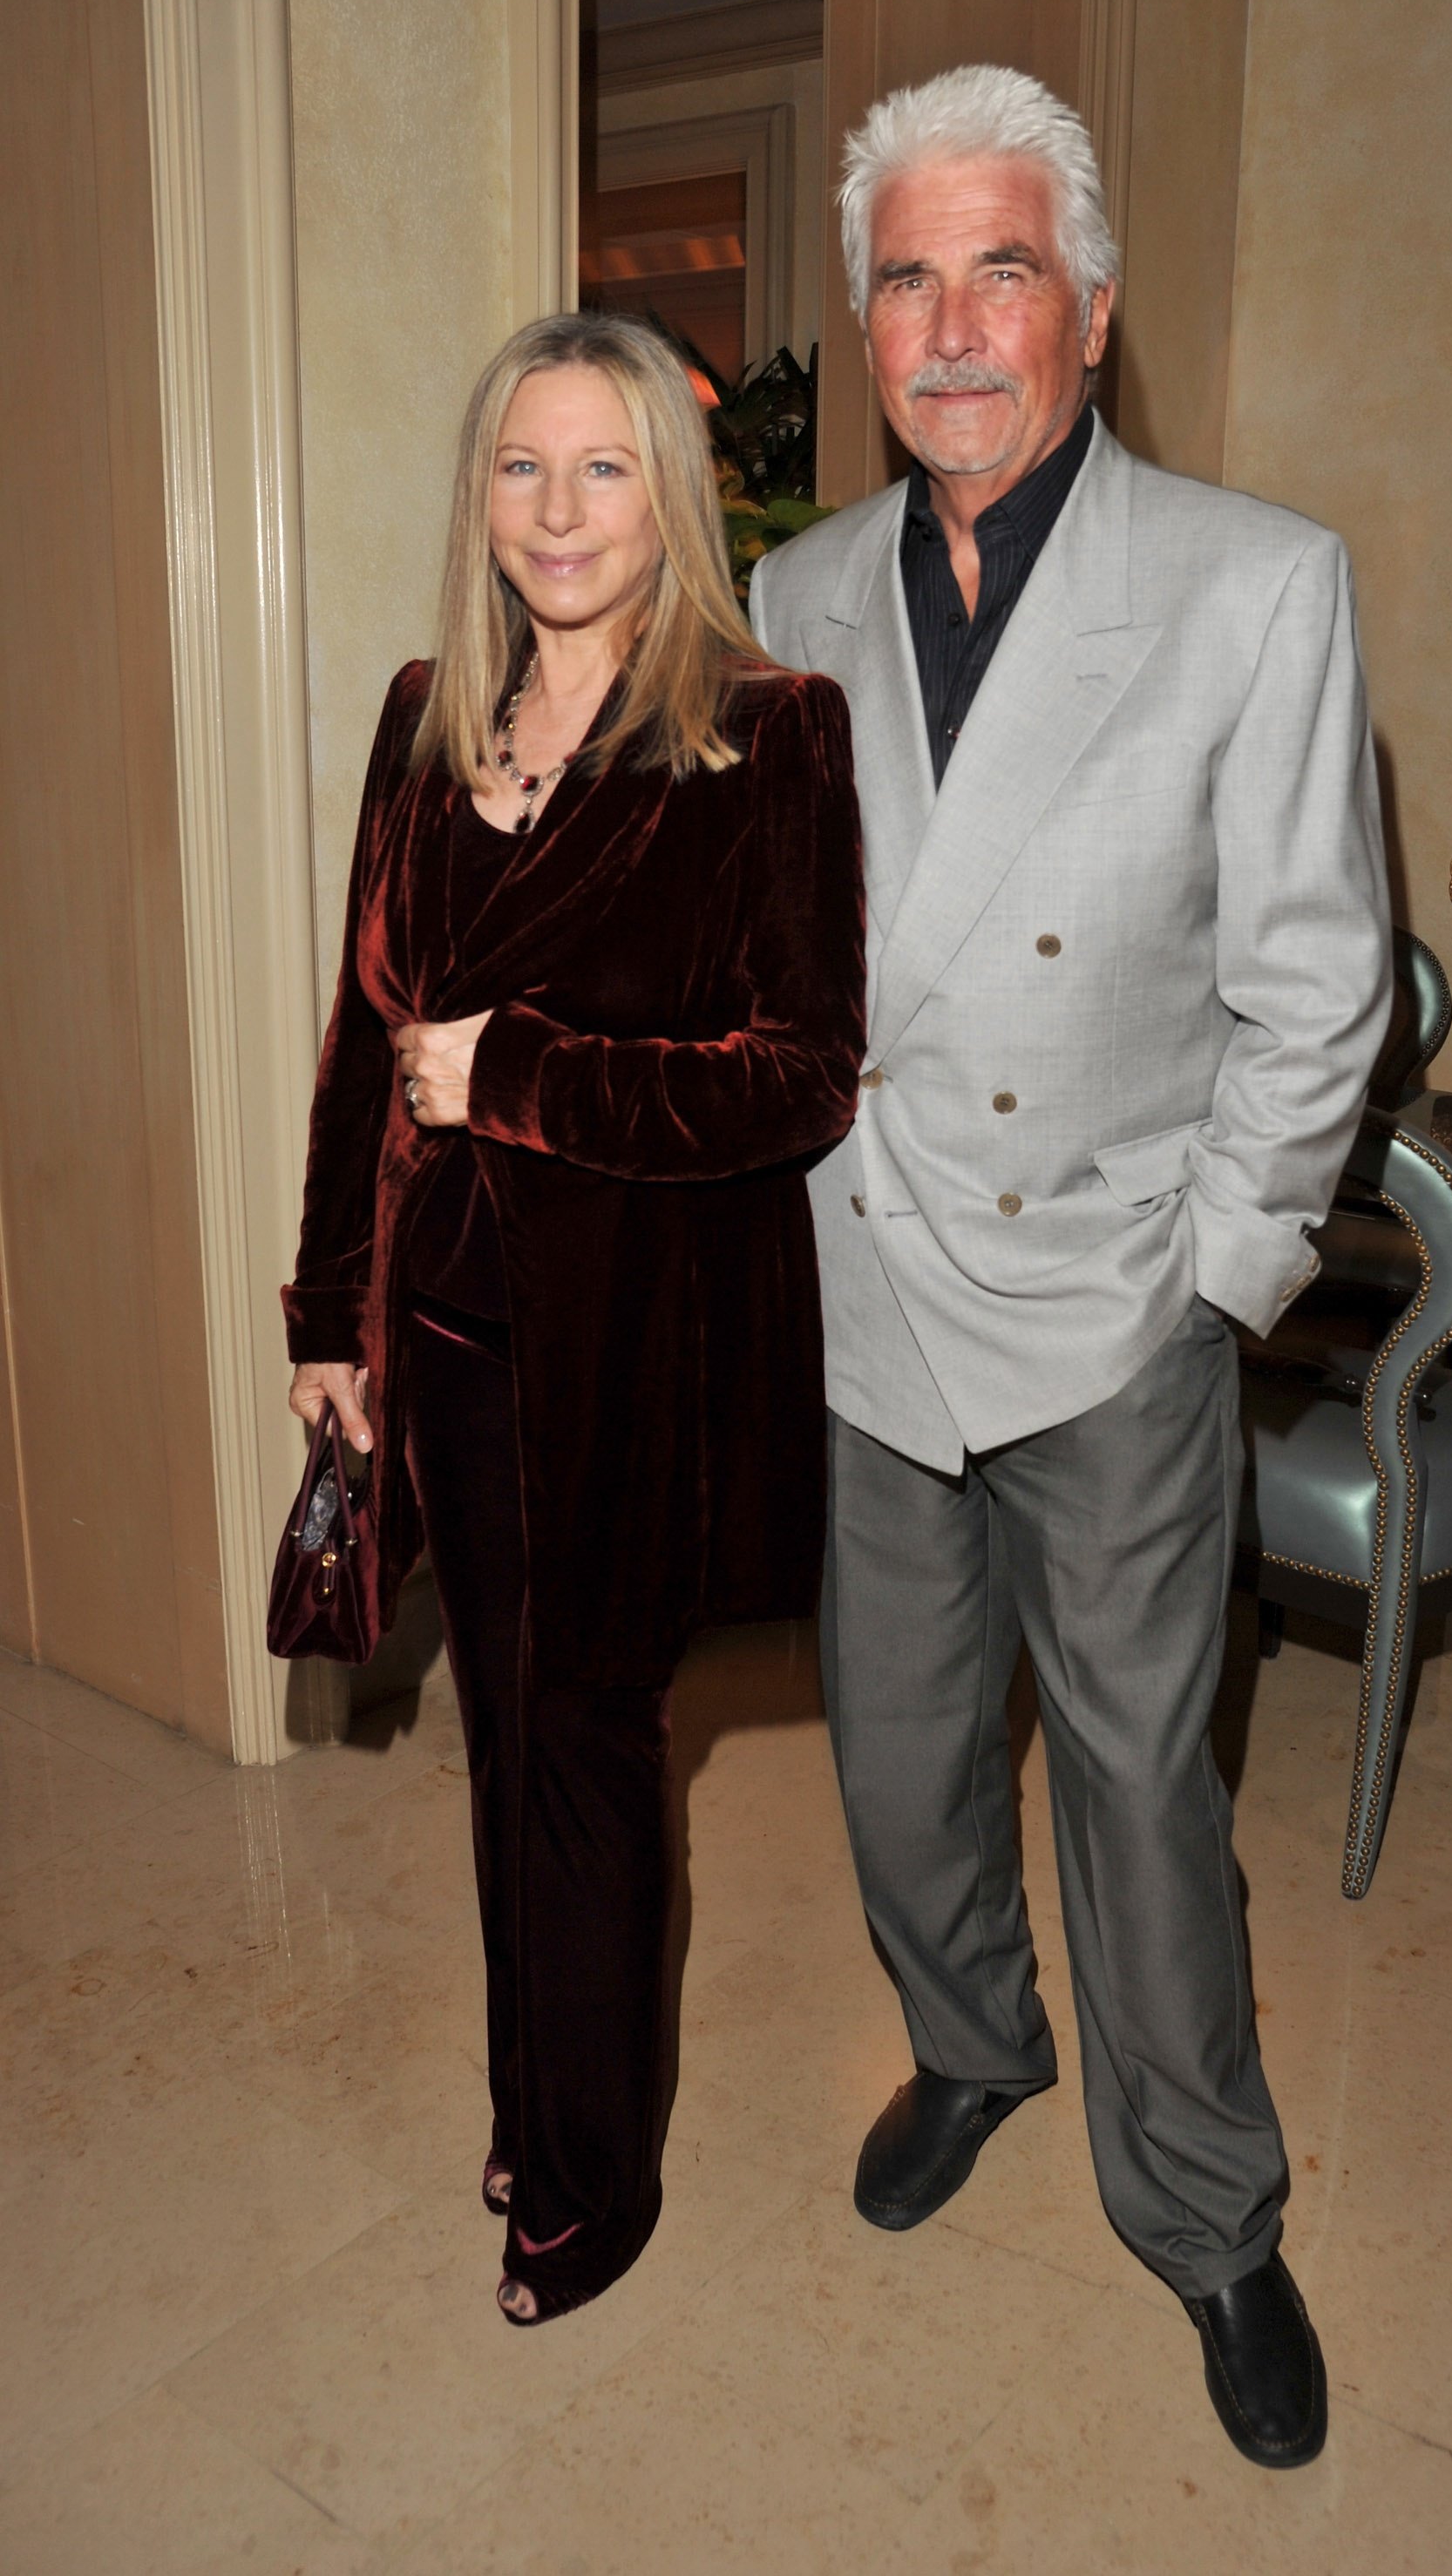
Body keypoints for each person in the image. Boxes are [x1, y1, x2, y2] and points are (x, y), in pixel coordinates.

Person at [749, 64, 1389, 2468]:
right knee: (908, 1769)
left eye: (996, 266)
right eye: (903, 275)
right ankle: (966, 2046)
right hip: (864, 1298)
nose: (947, 325)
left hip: (1109, 1303)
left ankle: (1212, 2217)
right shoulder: (794, 591)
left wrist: (1212, 1288)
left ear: (1088, 309)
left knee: (1136, 1793)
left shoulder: (1250, 580)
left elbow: (1315, 984)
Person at [285, 310, 865, 2327]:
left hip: (631, 1349)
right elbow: (367, 1043)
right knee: (498, 1740)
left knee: (589, 1753)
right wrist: (323, 1315)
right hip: (439, 1334)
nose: (557, 510)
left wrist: (520, 1074)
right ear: (482, 496)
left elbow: (798, 1072)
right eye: (522, 469)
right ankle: (539, 2101)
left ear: (671, 493)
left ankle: (590, 2184)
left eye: (603, 466)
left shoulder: (763, 728)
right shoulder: (430, 713)